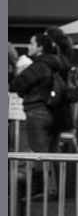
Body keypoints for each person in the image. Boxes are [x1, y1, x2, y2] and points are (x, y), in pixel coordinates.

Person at [10, 34, 65, 197]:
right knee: (45, 151)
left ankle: (44, 190)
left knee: (38, 152)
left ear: (40, 47)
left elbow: (17, 84)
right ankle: (49, 188)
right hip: (51, 111)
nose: (29, 47)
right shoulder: (56, 63)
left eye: (32, 44)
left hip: (36, 111)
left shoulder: (39, 65)